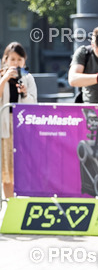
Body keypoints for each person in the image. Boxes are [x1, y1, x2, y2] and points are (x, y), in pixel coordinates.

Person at [1, 42, 37, 198]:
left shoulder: (28, 78)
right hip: (4, 126)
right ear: (5, 60)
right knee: (6, 168)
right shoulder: (1, 76)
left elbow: (33, 103)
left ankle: (22, 202)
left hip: (22, 126)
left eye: (19, 59)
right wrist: (4, 79)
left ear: (24, 61)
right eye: (12, 59)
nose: (16, 63)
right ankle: (9, 203)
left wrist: (24, 93)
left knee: (23, 166)